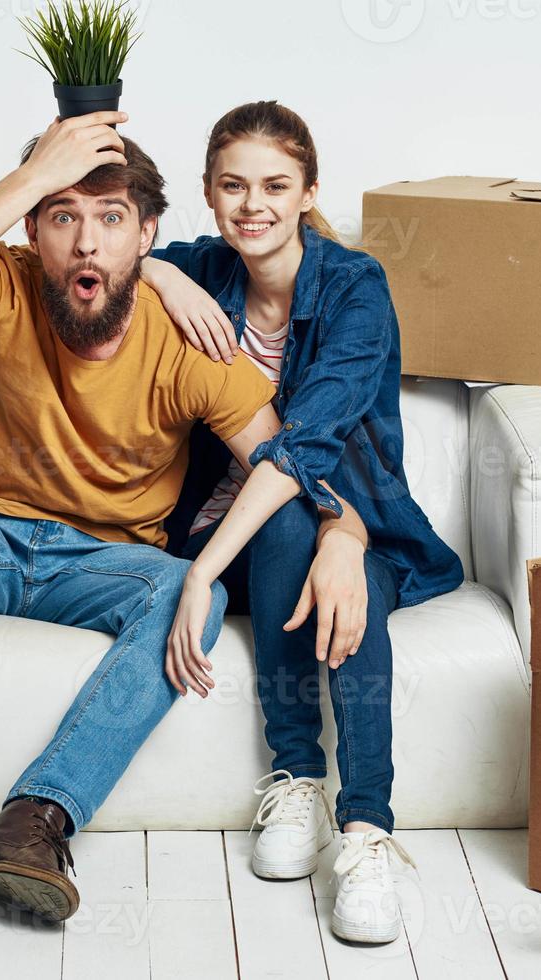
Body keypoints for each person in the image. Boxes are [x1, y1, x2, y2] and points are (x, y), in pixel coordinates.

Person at [0, 110, 340, 922]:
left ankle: (32, 824)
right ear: (33, 229)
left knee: (184, 600)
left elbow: (285, 466)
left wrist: (339, 534)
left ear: (147, 235)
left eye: (110, 219)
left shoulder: (191, 342)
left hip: (100, 564)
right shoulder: (2, 281)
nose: (86, 244)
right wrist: (30, 175)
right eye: (63, 216)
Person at [142, 100, 465, 944]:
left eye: (274, 186)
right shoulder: (202, 269)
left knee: (319, 544)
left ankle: (362, 828)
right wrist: (161, 273)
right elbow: (87, 248)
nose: (253, 205)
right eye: (233, 186)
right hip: (232, 533)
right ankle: (294, 781)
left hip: (359, 524)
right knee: (290, 530)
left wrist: (338, 536)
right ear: (209, 196)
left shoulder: (354, 286)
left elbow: (304, 445)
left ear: (307, 190)